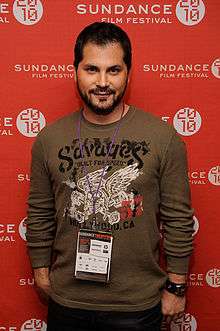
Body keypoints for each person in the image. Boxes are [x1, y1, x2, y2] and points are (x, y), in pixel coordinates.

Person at [26, 22, 194, 331]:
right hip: (67, 300)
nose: (102, 82)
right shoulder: (50, 138)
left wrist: (177, 285)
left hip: (137, 304)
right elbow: (39, 213)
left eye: (113, 70)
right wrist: (40, 271)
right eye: (92, 69)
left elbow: (178, 217)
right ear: (75, 70)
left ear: (128, 72)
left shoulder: (162, 137)